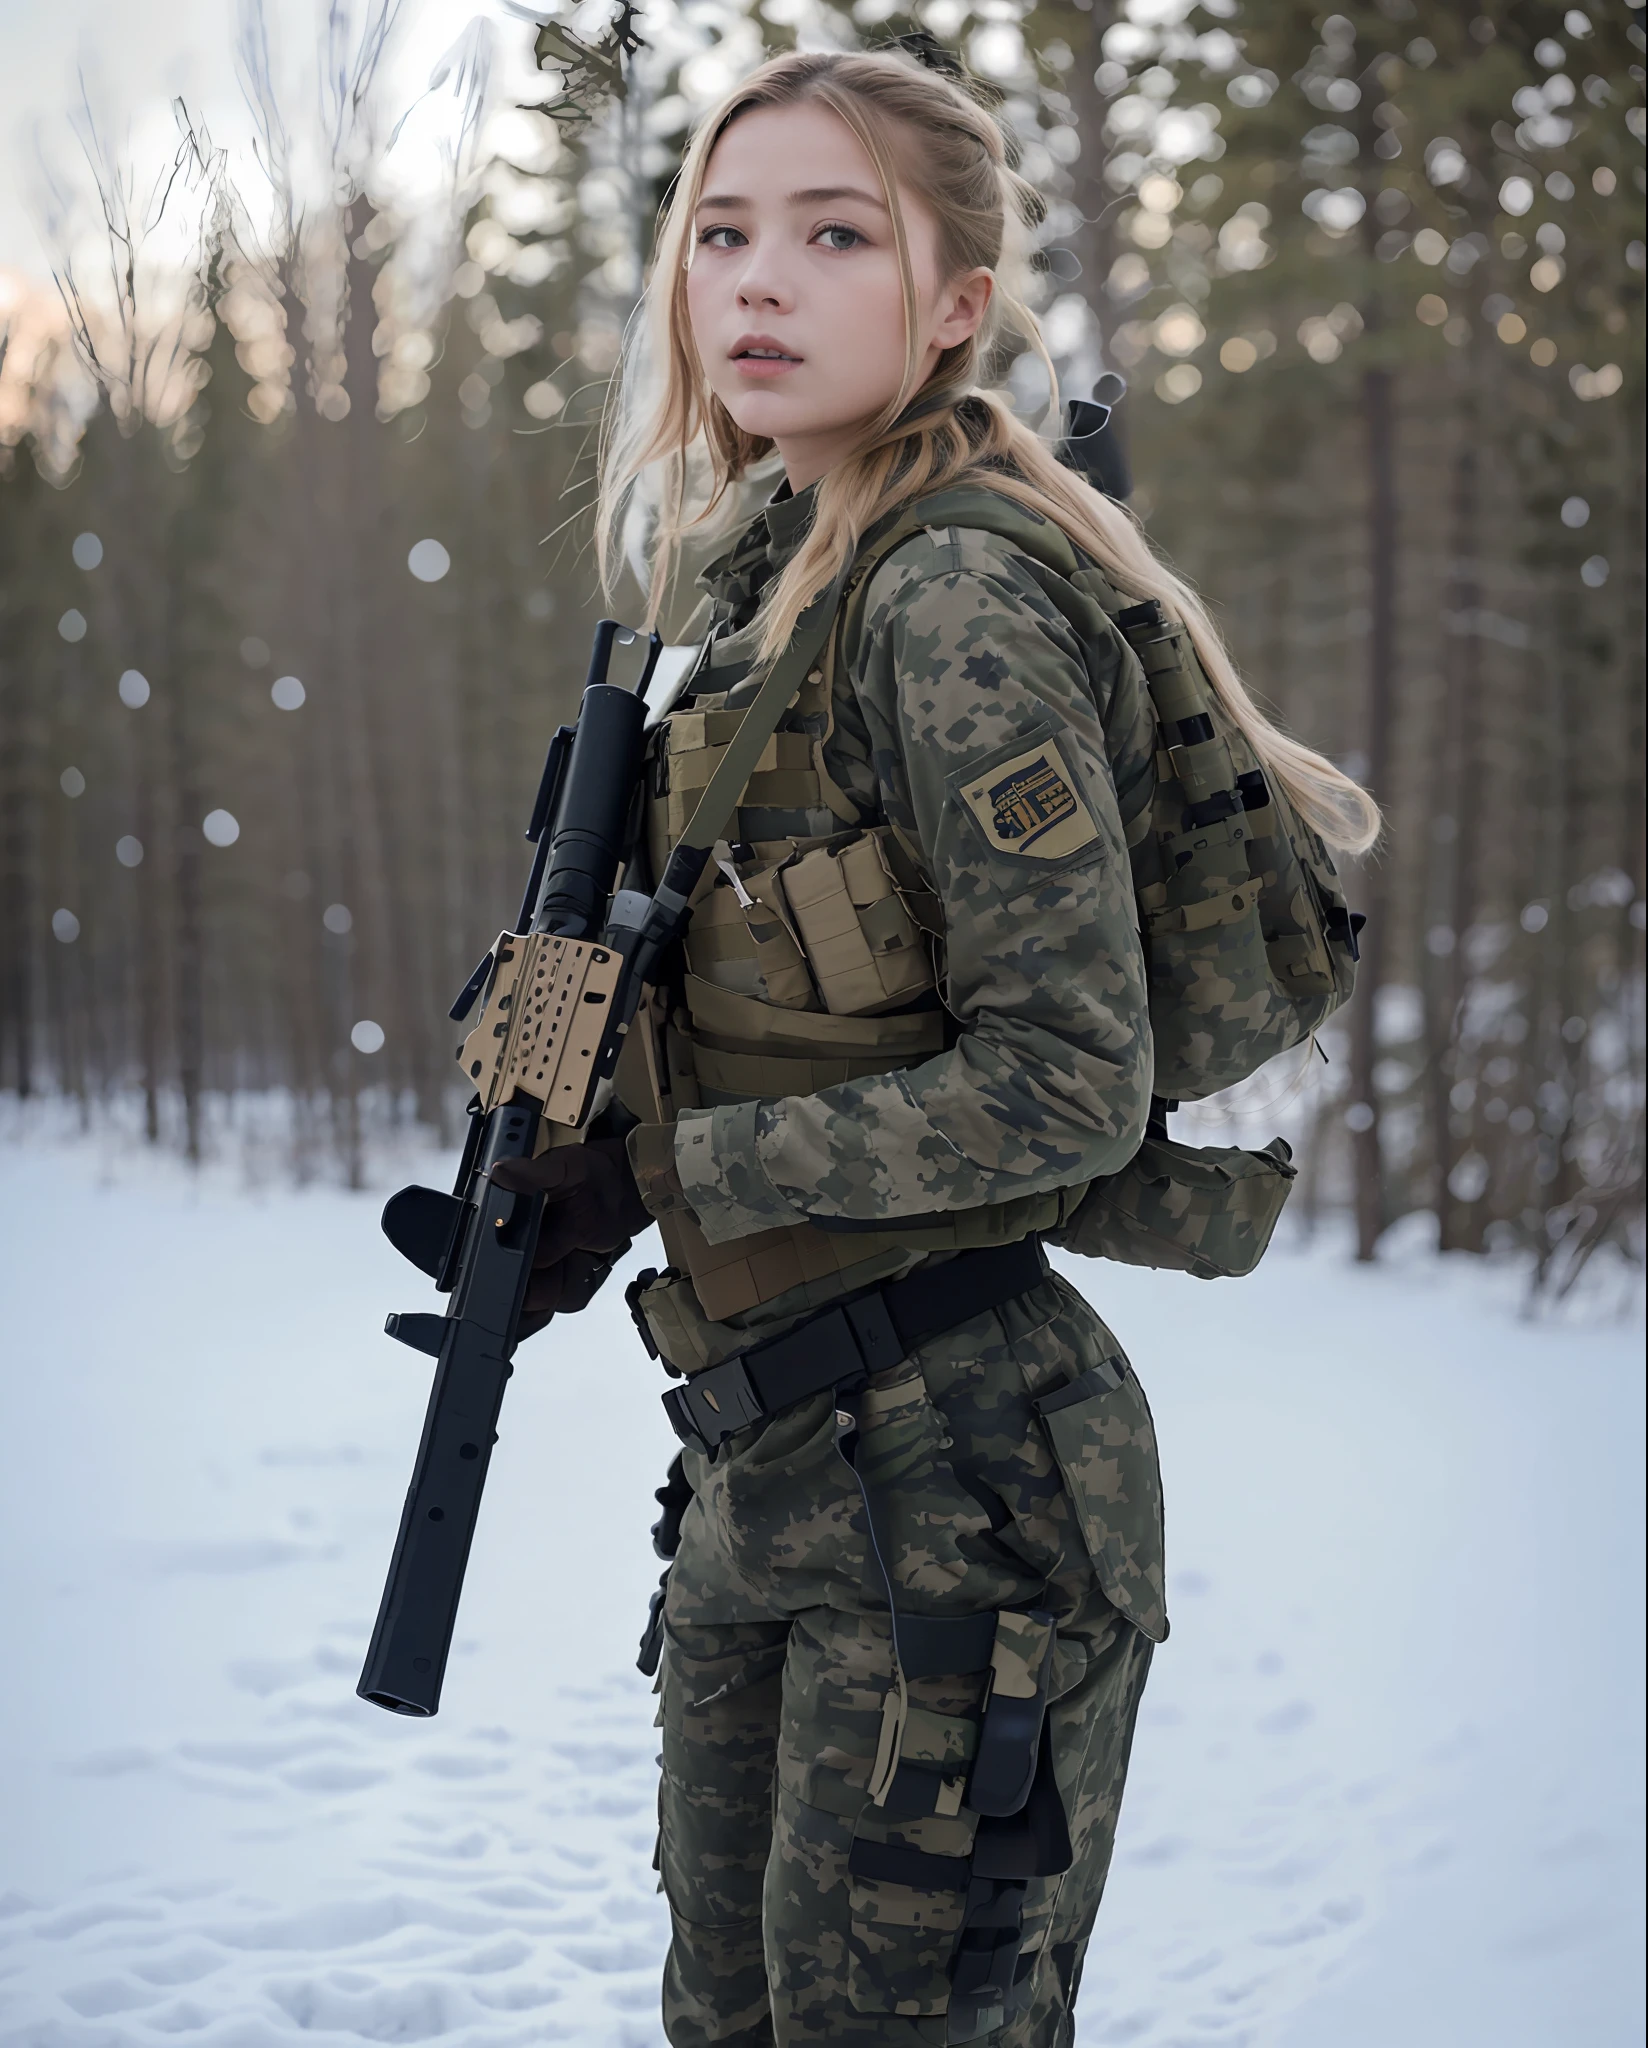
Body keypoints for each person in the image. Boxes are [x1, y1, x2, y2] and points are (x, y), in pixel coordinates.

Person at [492, 45, 1380, 2047]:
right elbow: (658, 958)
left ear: (953, 302)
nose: (756, 284)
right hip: (758, 1462)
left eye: (831, 234)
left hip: (957, 1478)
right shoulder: (748, 580)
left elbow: (1061, 1080)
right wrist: (554, 1155)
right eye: (719, 234)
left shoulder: (954, 595)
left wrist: (666, 1175)